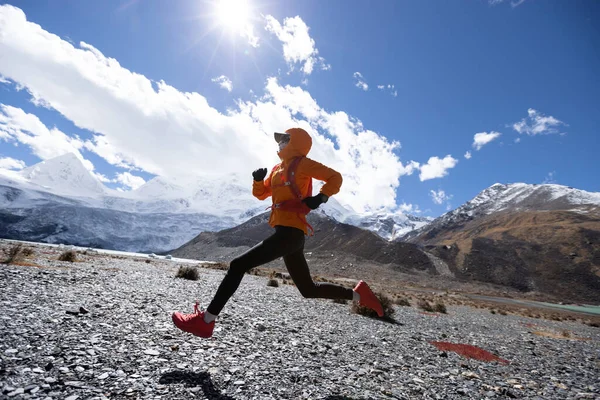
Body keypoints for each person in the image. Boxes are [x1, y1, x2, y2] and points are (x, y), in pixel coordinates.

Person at [172, 127, 384, 338]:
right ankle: (360, 295)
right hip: (290, 236)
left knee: (238, 265)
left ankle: (206, 321)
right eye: (279, 140)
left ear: (295, 142)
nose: (279, 143)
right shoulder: (276, 169)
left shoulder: (303, 164)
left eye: (284, 139)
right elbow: (262, 194)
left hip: (291, 234)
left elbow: (335, 177)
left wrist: (321, 197)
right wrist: (257, 181)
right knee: (308, 289)